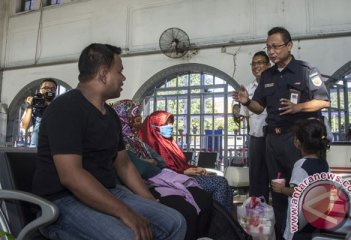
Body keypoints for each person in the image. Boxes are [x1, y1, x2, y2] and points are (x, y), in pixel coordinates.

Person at [32, 43, 186, 240]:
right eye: (119, 71)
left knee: (175, 221)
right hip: (63, 201)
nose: (123, 78)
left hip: (107, 192)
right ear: (104, 74)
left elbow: (124, 165)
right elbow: (72, 176)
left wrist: (150, 202)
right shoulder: (65, 109)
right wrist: (125, 212)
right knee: (128, 236)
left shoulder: (110, 115)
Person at [235, 26, 330, 239]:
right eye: (268, 47)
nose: (271, 51)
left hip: (296, 141)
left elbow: (324, 101)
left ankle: (306, 234)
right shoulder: (267, 75)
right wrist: (247, 102)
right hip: (272, 140)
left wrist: (299, 107)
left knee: (302, 191)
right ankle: (282, 235)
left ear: (289, 46)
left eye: (275, 46)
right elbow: (259, 107)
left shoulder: (305, 70)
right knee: (277, 190)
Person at [113, 99, 212, 240]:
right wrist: (149, 163)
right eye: (135, 116)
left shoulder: (137, 141)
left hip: (160, 178)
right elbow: (138, 168)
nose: (138, 120)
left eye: (139, 116)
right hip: (147, 183)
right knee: (188, 209)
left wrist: (149, 162)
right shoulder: (123, 140)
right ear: (124, 117)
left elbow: (160, 161)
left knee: (203, 197)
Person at [138, 110, 234, 214]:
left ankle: (226, 223)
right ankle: (218, 222)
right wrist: (183, 173)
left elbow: (182, 163)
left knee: (227, 188)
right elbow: (159, 170)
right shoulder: (149, 144)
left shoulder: (169, 142)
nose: (170, 126)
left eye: (171, 123)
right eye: (166, 124)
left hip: (183, 176)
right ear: (155, 126)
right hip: (172, 180)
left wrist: (196, 168)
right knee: (220, 183)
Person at [271, 118, 330, 240]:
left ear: (297, 142)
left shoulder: (301, 165)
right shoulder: (324, 164)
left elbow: (298, 191)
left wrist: (282, 189)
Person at [232, 51, 271, 202]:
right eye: (254, 63)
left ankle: (280, 218)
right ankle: (257, 215)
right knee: (256, 178)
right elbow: (246, 116)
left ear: (268, 65)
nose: (256, 66)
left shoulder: (275, 85)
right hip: (256, 138)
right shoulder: (248, 89)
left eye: (260, 62)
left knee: (277, 177)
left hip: (274, 137)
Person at [21, 78, 57, 147]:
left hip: (54, 146)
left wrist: (49, 104)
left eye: (53, 89)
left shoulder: (59, 105)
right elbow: (25, 126)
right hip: (36, 146)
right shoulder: (35, 105)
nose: (49, 90)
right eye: (46, 88)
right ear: (40, 90)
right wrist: (30, 107)